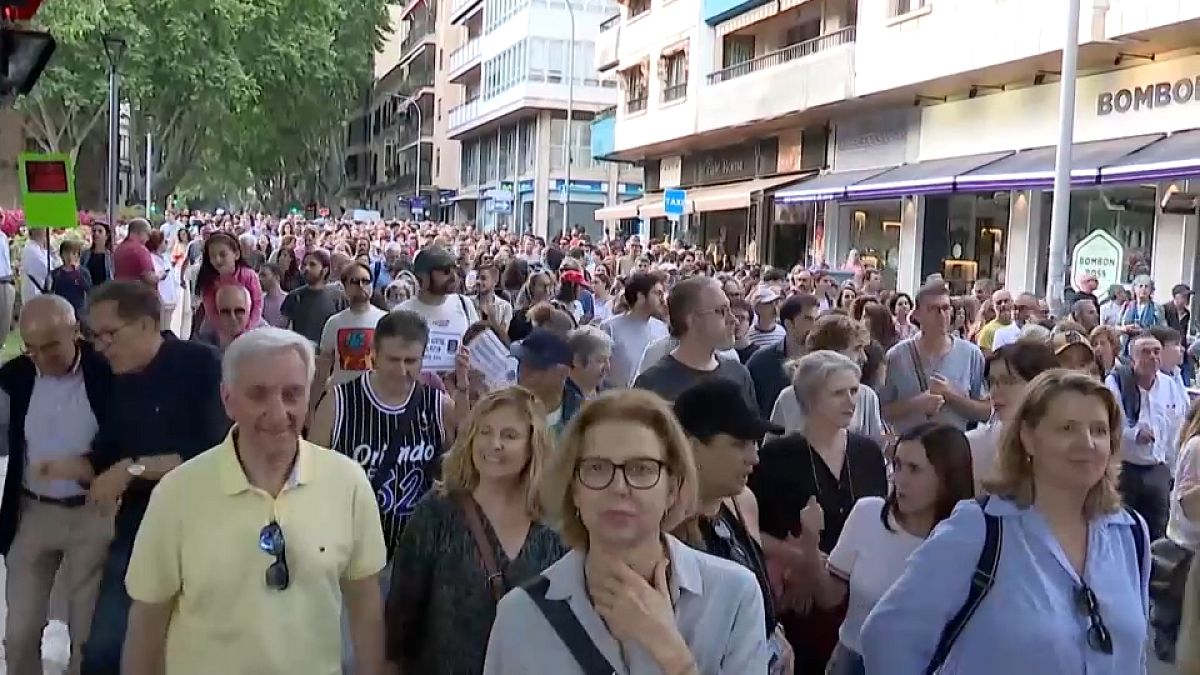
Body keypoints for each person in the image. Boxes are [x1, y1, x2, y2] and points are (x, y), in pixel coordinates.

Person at [121, 328, 387, 675]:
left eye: (292, 394)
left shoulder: (348, 482)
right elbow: (147, 622)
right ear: (227, 399)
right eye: (258, 395)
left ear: (309, 398)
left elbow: (365, 606)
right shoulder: (177, 494)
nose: (278, 413)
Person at [861, 370, 1150, 674]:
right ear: (1028, 438)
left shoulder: (1130, 532)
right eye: (1067, 428)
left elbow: (1135, 658)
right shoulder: (978, 530)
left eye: (1099, 430)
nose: (1087, 443)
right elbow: (887, 638)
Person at [482, 389, 770, 674]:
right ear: (574, 490)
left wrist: (672, 654)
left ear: (672, 489)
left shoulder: (734, 596)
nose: (618, 487)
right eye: (597, 468)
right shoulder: (521, 616)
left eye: (641, 469)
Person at [48, 281, 230, 675]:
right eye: (94, 336)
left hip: (202, 535)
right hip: (136, 534)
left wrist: (134, 469)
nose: (100, 346)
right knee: (103, 654)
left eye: (109, 334)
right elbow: (108, 454)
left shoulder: (203, 365)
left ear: (147, 325)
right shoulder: (118, 378)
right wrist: (74, 467)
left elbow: (216, 453)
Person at [386, 387, 565, 675]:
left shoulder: (554, 525)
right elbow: (400, 614)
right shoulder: (438, 512)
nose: (494, 444)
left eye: (509, 435)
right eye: (484, 432)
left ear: (534, 445)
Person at [749, 350, 888, 672]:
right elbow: (750, 526)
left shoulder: (866, 452)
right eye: (839, 393)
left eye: (854, 390)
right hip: (799, 603)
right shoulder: (776, 457)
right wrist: (794, 557)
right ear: (810, 399)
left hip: (859, 597)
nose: (851, 401)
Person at [0, 296, 114, 675]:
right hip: (32, 511)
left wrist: (91, 467)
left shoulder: (104, 373)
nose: (41, 357)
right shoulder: (17, 375)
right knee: (18, 634)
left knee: (85, 637)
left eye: (50, 345)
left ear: (75, 332)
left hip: (90, 514)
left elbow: (125, 436)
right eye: (32, 348)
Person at [813, 423, 974, 675]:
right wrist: (808, 545)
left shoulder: (963, 543)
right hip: (852, 661)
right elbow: (829, 597)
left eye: (914, 469)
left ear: (948, 477)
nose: (900, 480)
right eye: (897, 465)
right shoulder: (868, 514)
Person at [308, 309, 455, 558]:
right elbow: (312, 474)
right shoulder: (339, 403)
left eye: (410, 361)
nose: (401, 370)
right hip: (353, 549)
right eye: (393, 359)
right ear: (373, 355)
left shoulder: (439, 406)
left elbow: (453, 473)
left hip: (418, 551)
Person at [672, 378, 793, 672]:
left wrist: (775, 636)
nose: (754, 457)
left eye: (755, 443)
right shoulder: (663, 526)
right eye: (739, 444)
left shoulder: (742, 502)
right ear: (691, 446)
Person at [880, 284, 989, 435]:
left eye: (946, 308)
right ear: (917, 314)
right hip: (910, 447)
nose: (942, 315)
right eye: (933, 309)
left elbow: (985, 412)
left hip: (953, 447)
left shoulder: (971, 354)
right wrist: (915, 404)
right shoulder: (897, 356)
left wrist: (950, 396)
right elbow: (882, 411)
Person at [1108, 333, 1185, 541]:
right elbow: (1109, 425)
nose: (1152, 357)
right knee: (1124, 526)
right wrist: (1133, 434)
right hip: (1126, 469)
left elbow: (1176, 426)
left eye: (1156, 352)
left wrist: (1172, 469)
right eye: (1145, 352)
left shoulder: (1169, 385)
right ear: (1132, 358)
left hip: (1157, 468)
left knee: (1158, 528)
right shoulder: (1117, 384)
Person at [634, 276, 755, 408]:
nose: (734, 320)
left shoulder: (738, 374)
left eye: (729, 309)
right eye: (721, 311)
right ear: (692, 320)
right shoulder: (652, 385)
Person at [967, 340, 1058, 490]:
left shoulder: (1067, 441)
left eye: (1007, 381)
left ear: (1041, 383)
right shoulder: (974, 445)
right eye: (992, 382)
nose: (995, 391)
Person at [399, 245, 479, 373]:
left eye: (455, 270)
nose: (454, 277)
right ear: (423, 277)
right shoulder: (401, 314)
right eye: (446, 272)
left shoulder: (464, 305)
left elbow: (477, 348)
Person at [746, 293, 822, 417]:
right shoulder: (761, 362)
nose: (814, 326)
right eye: (808, 319)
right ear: (789, 324)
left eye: (817, 320)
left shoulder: (825, 362)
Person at [317, 262, 388, 391]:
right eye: (355, 281)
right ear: (345, 287)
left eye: (366, 281)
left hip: (376, 394)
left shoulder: (385, 320)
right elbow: (323, 366)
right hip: (341, 394)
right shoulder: (334, 323)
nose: (361, 286)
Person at [600, 271, 667, 389]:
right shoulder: (609, 328)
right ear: (640, 296)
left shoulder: (661, 329)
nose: (662, 300)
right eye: (657, 293)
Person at [512, 328, 579, 435]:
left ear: (564, 372)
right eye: (521, 361)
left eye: (535, 366)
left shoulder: (583, 418)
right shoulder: (504, 406)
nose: (524, 371)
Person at [281, 249, 348, 345]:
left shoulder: (338, 297)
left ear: (325, 270)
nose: (307, 268)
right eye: (304, 265)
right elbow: (282, 329)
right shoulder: (295, 296)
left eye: (312, 264)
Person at [198, 285, 265, 354]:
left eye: (239, 311)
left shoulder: (264, 337)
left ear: (249, 311)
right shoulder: (207, 336)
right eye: (225, 312)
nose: (233, 317)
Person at [50, 239, 93, 319]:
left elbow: (89, 289)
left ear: (77, 255)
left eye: (73, 253)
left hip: (79, 311)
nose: (70, 256)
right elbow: (50, 292)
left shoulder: (83, 272)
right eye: (66, 253)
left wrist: (78, 275)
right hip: (61, 311)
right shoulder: (56, 273)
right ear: (61, 255)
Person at [566, 325, 611, 400]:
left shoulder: (610, 395)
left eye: (609, 359)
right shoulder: (558, 397)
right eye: (600, 360)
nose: (608, 367)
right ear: (577, 360)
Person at [112, 219, 156, 287]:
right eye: (148, 234)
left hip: (119, 292)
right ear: (141, 232)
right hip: (137, 293)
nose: (148, 239)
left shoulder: (118, 249)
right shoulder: (141, 250)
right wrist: (159, 276)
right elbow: (149, 278)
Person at [22, 227, 58, 302]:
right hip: (35, 298)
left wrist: (52, 251)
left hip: (40, 297)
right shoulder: (32, 250)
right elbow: (51, 272)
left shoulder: (40, 249)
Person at [80, 221, 114, 287]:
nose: (96, 234)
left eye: (100, 231)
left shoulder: (111, 256)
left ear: (107, 235)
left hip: (105, 292)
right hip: (88, 292)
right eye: (94, 231)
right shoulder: (85, 254)